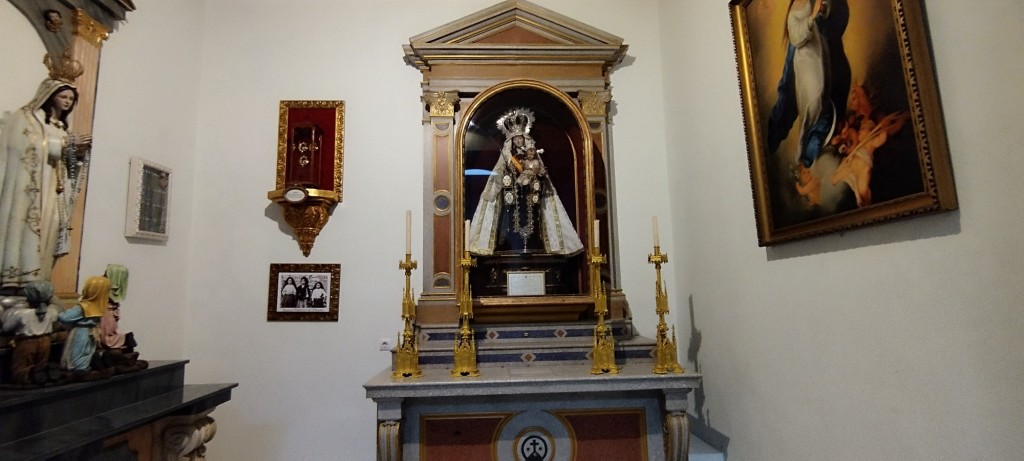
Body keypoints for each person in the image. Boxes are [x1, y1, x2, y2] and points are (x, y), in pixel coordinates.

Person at [0, 77, 91, 288]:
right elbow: (25, 145)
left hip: (55, 190)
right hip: (34, 188)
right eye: (63, 96)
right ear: (50, 96)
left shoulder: (61, 125)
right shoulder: (28, 119)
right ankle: (21, 278)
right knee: (32, 227)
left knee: (53, 229)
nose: (67, 101)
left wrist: (76, 151)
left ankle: (41, 276)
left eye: (71, 98)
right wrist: (65, 143)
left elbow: (65, 159)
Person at [466, 107, 583, 256]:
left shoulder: (532, 156)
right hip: (512, 199)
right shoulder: (508, 157)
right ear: (511, 141)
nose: (518, 140)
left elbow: (540, 174)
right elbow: (498, 176)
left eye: (520, 138)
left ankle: (537, 243)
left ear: (525, 138)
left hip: (530, 197)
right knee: (511, 223)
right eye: (515, 139)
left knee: (533, 220)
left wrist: (538, 174)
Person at [766, 0, 851, 169]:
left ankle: (813, 147)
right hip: (807, 60)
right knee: (808, 100)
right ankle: (775, 145)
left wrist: (824, 12)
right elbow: (796, 38)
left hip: (822, 54)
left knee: (825, 100)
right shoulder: (796, 12)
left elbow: (837, 18)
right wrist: (813, 18)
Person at [1, 281, 60, 385]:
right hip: (46, 341)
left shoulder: (22, 314)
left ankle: (31, 373)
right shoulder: (52, 312)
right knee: (41, 363)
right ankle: (44, 371)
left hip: (27, 343)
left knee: (19, 369)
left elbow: (6, 328)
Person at [58, 276, 109, 377]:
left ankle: (78, 368)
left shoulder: (83, 307)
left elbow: (64, 318)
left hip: (81, 332)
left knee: (79, 351)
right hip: (90, 332)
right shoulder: (98, 306)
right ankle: (82, 367)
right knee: (85, 351)